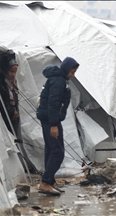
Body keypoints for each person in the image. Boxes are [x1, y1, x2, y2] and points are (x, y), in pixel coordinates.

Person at [36, 57, 79, 196]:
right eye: (72, 72)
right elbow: (53, 103)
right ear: (66, 69)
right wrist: (54, 124)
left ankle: (50, 180)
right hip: (50, 119)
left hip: (48, 118)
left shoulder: (58, 79)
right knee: (57, 151)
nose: (73, 75)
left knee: (50, 149)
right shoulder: (58, 81)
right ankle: (45, 182)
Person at [0, 58, 20, 137]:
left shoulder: (13, 82)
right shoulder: (0, 83)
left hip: (13, 112)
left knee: (15, 133)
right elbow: (2, 100)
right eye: (11, 71)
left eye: (15, 72)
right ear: (5, 71)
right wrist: (12, 110)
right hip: (6, 114)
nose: (13, 74)